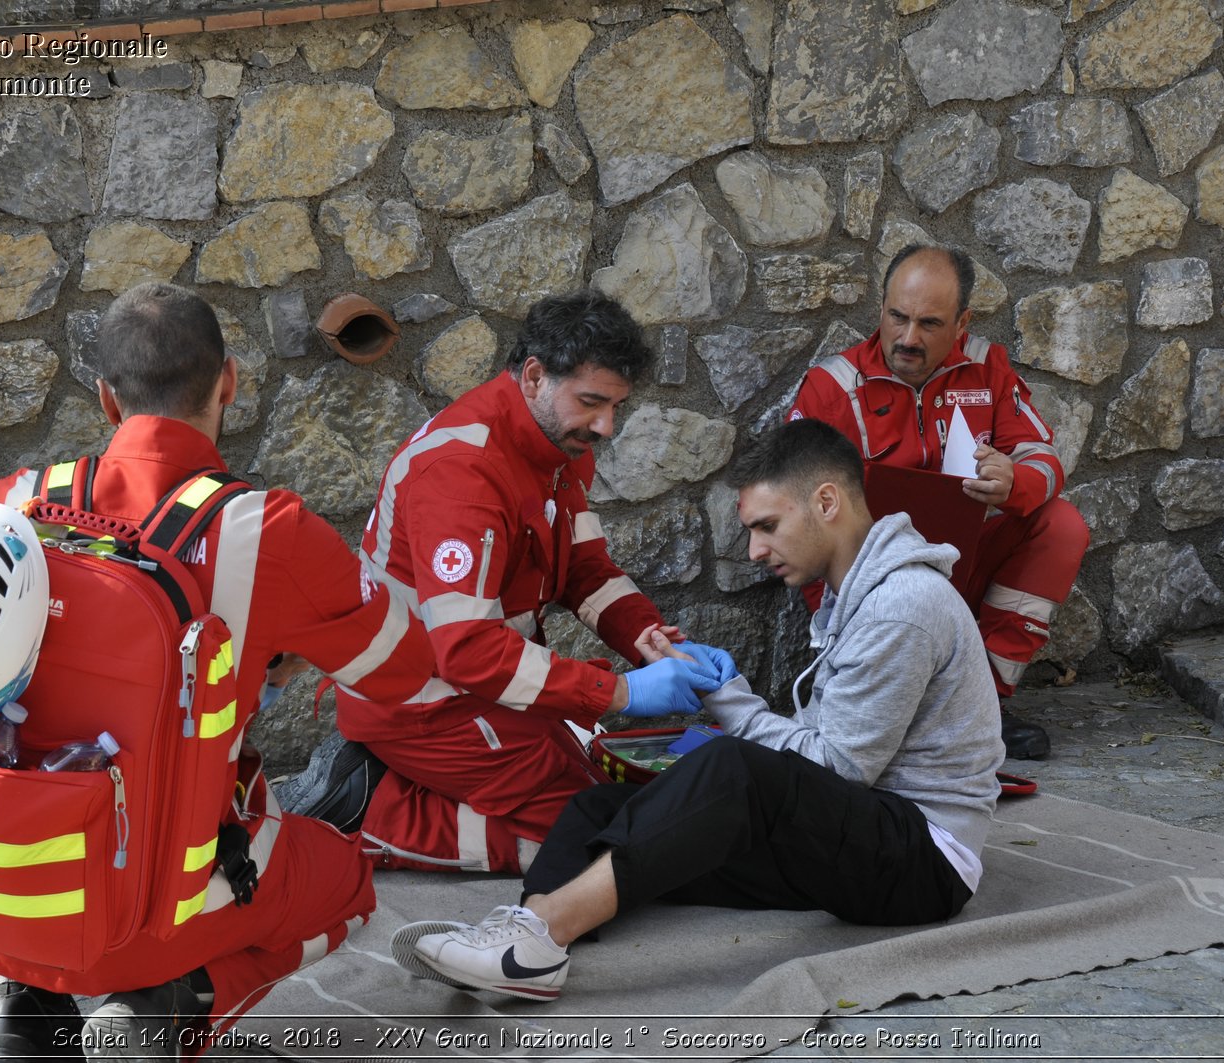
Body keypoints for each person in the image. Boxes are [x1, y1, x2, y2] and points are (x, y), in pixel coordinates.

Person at [0, 282, 434, 1058]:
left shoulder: (15, 502)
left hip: (4, 877)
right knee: (345, 878)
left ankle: (26, 1003)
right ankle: (174, 999)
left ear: (107, 400)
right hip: (160, 891)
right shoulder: (267, 532)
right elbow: (404, 666)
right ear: (229, 382)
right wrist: (282, 649)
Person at [389, 418, 1003, 1000]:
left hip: (923, 859)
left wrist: (725, 699)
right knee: (598, 805)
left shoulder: (902, 605)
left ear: (825, 503)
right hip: (861, 829)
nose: (756, 549)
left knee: (730, 771)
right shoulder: (856, 595)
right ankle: (524, 942)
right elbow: (820, 764)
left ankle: (545, 930)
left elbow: (836, 770)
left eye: (766, 525)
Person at [280, 290, 709, 875]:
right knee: (600, 833)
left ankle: (397, 788)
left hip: (475, 685)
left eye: (616, 406)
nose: (607, 426)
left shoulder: (554, 441)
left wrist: (652, 641)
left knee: (613, 798)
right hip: (417, 701)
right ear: (534, 376)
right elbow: (468, 650)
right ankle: (369, 811)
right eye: (592, 402)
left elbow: (585, 572)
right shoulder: (463, 473)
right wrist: (623, 694)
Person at [786, 244, 1090, 759]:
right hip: (872, 589)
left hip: (964, 567)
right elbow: (796, 516)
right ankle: (882, 701)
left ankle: (982, 706)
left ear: (962, 322)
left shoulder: (986, 368)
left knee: (1062, 525)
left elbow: (1044, 456)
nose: (907, 339)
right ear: (880, 308)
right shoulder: (830, 388)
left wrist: (1014, 479)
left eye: (929, 324)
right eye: (897, 317)